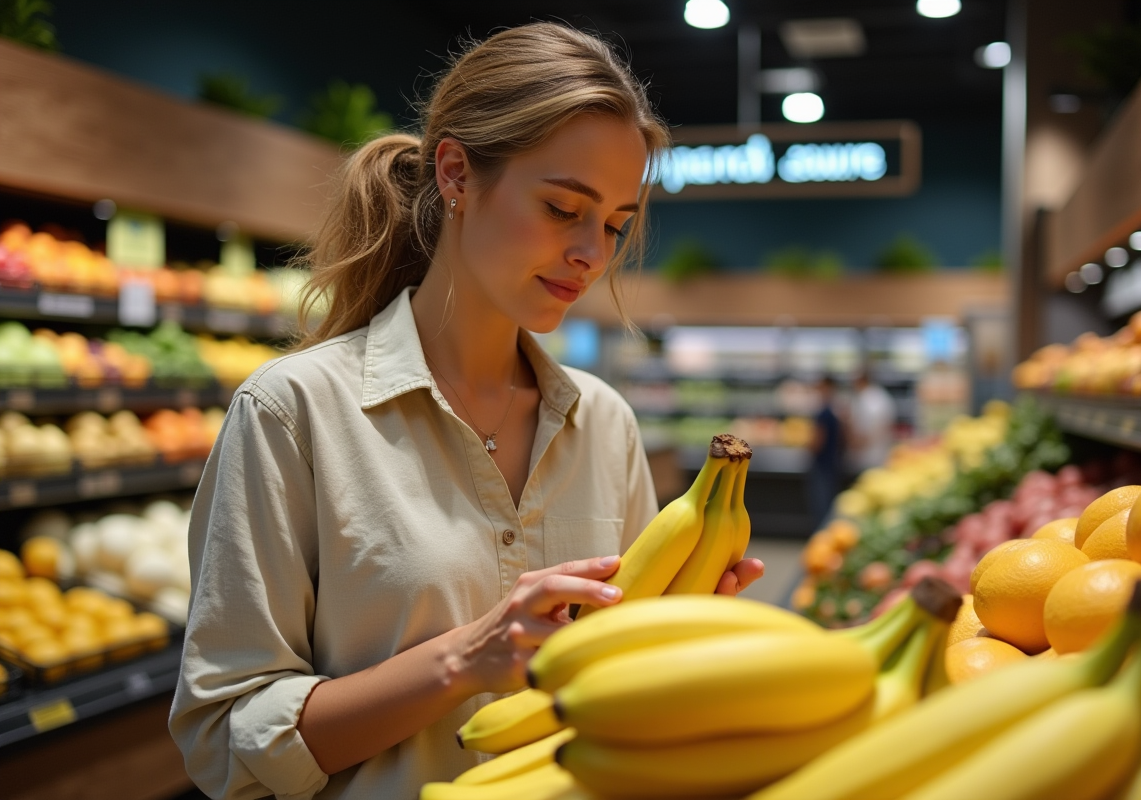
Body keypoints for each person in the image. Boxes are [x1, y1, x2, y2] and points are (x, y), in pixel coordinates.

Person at [169, 23, 764, 800]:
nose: (593, 253)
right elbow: (225, 739)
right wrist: (464, 659)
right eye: (563, 208)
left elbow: (613, 700)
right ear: (455, 174)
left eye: (616, 225)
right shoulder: (293, 413)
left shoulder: (605, 424)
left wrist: (677, 637)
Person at [807, 375, 844, 529]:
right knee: (828, 502)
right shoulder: (836, 412)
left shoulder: (824, 413)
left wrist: (809, 446)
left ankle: (822, 533)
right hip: (832, 463)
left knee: (821, 504)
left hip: (822, 464)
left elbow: (818, 441)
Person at [848, 371, 896, 474]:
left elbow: (877, 426)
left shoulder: (871, 399)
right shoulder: (875, 396)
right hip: (870, 454)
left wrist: (859, 442)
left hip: (871, 455)